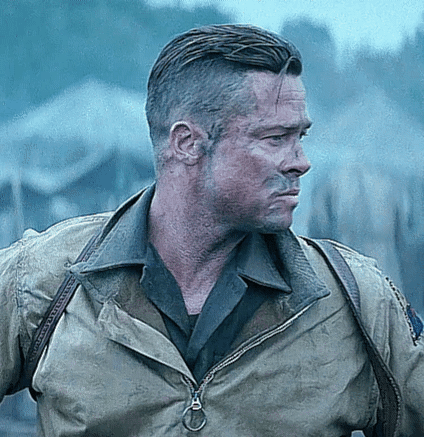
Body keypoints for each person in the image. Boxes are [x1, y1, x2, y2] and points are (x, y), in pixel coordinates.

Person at [0, 24, 423, 436]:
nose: (300, 162)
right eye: (275, 138)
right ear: (187, 143)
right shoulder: (44, 281)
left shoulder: (356, 298)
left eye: (301, 137)